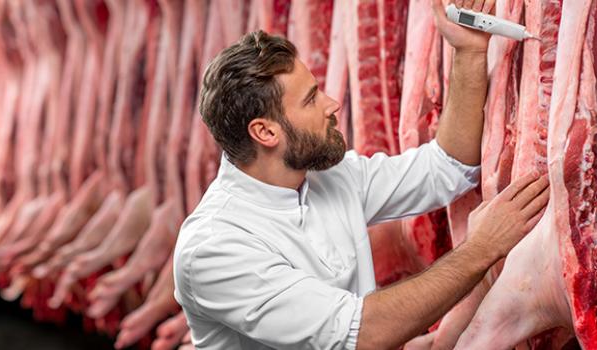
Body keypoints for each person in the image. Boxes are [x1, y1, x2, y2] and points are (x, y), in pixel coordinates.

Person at [173, 0, 550, 349]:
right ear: (266, 133)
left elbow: (447, 167)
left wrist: (468, 53)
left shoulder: (327, 177)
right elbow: (361, 333)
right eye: (311, 99)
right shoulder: (214, 248)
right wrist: (482, 249)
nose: (332, 104)